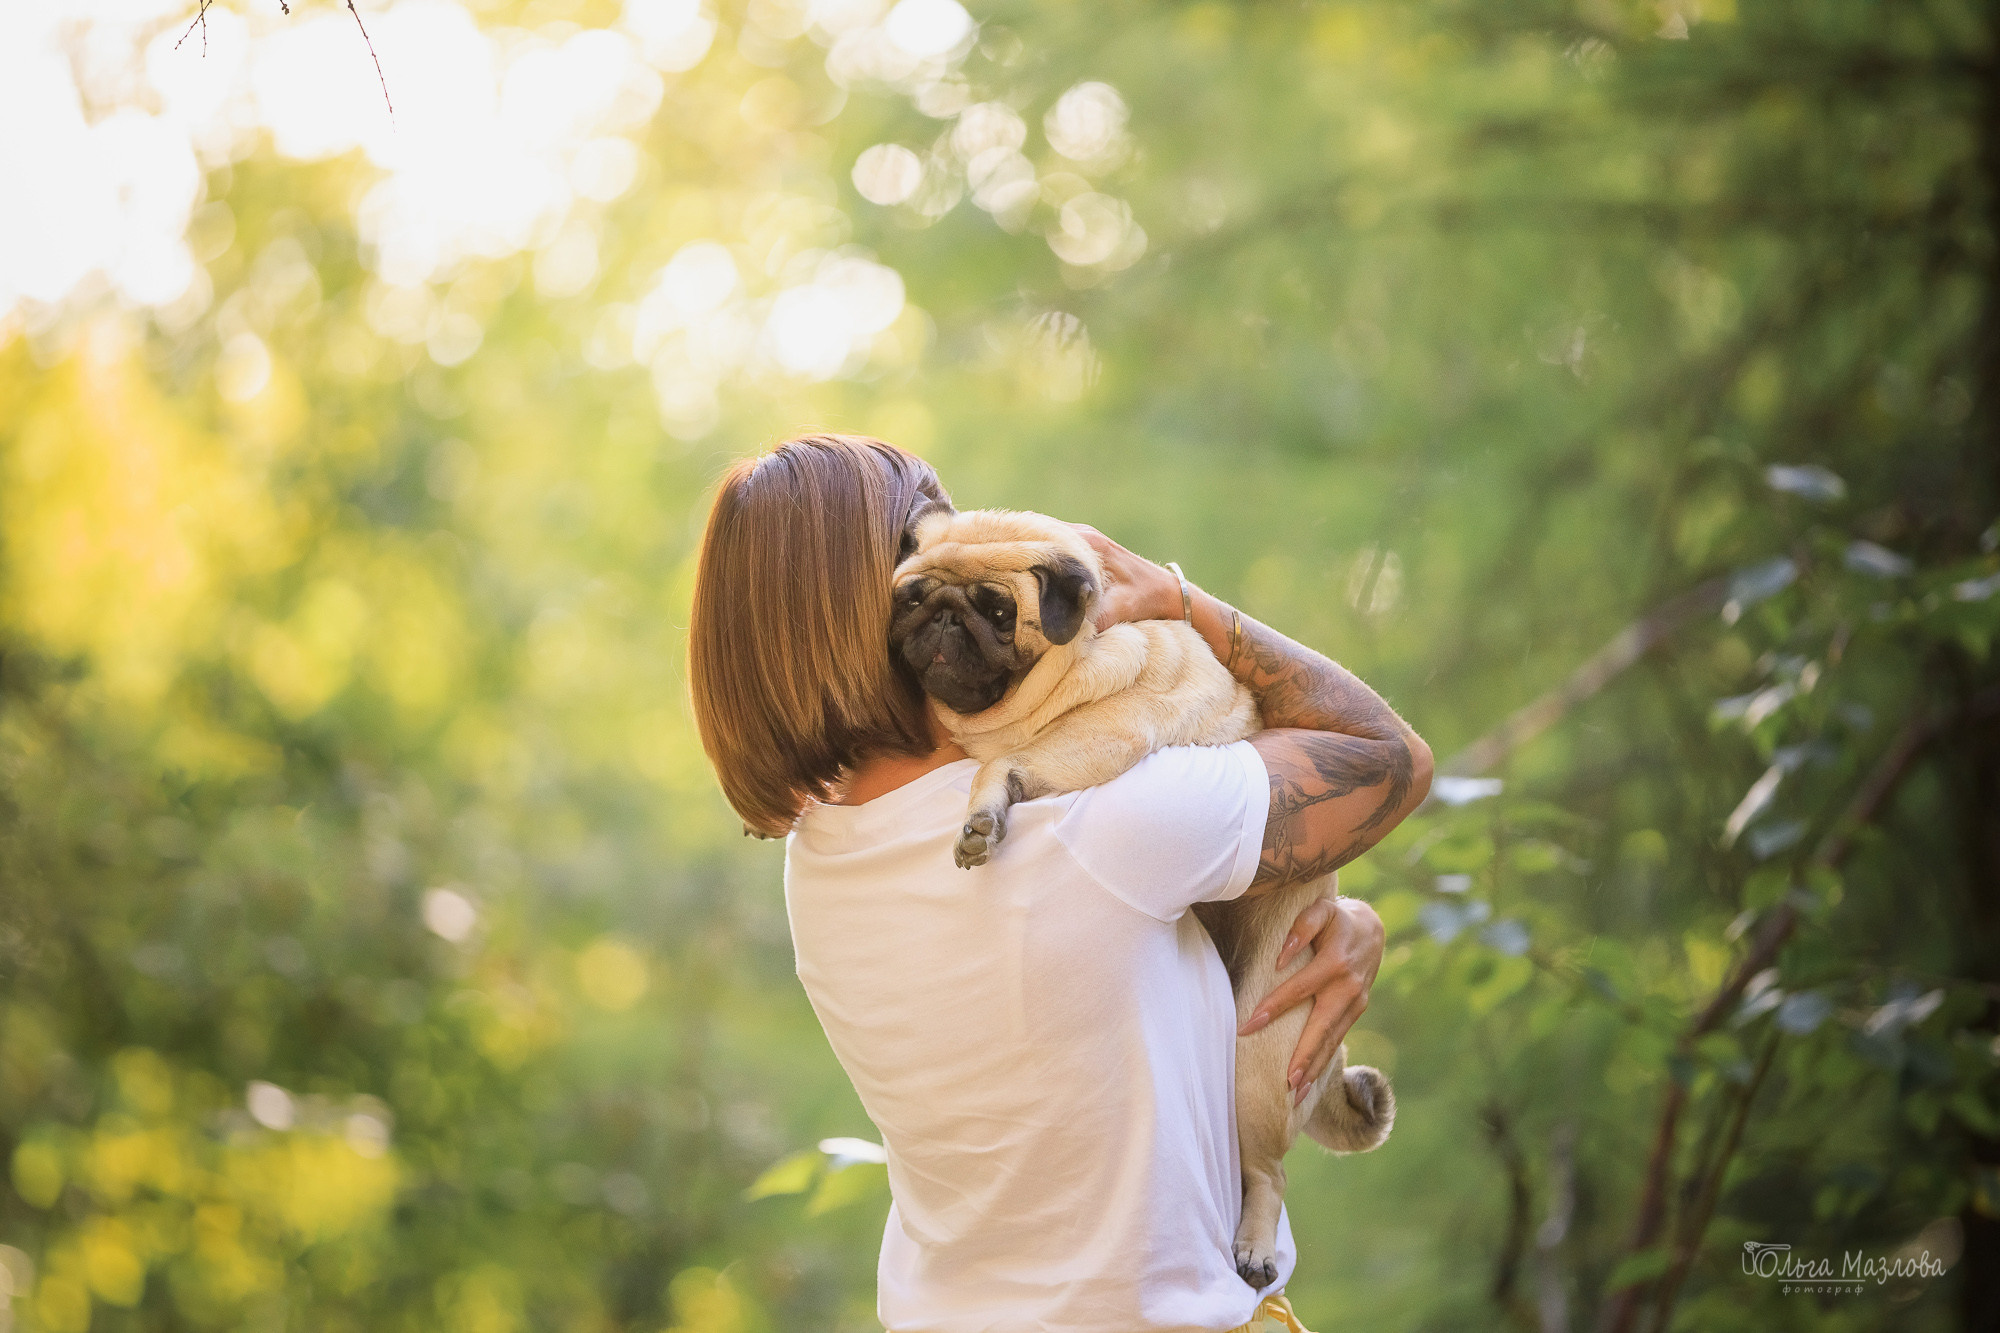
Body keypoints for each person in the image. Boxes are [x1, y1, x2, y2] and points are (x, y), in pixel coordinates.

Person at [688, 435, 1433, 1333]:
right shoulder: (1092, 824)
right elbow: (1387, 759)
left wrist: (1318, 912)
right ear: (869, 603)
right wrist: (1184, 603)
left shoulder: (816, 864)